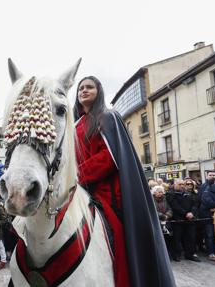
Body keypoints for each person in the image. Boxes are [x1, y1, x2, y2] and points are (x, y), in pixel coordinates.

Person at [73, 76, 175, 287]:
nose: (84, 91)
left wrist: (76, 175)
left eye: (89, 87)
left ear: (98, 91)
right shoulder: (75, 125)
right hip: (79, 189)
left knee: (118, 234)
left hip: (107, 192)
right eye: (80, 88)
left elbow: (108, 158)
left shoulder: (108, 117)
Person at [167, 179, 201, 262]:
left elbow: (195, 204)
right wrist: (186, 213)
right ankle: (176, 254)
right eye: (180, 184)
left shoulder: (188, 193)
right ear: (175, 185)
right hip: (178, 219)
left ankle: (190, 254)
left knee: (190, 237)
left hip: (189, 219)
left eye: (183, 184)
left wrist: (192, 213)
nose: (182, 186)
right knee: (177, 238)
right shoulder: (170, 194)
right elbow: (175, 206)